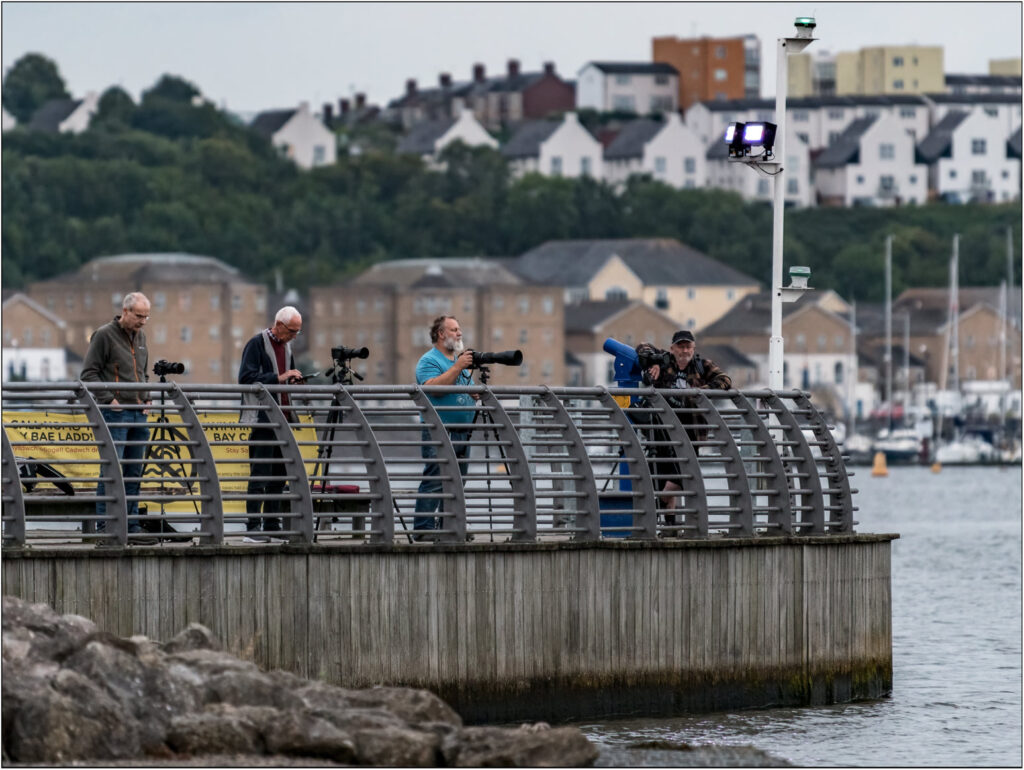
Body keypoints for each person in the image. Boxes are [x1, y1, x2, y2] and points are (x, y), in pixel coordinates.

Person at [635, 330, 732, 534]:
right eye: (680, 346)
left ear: (694, 348)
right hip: (662, 430)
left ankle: (658, 504)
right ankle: (670, 526)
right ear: (672, 348)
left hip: (692, 432)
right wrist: (652, 362)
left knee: (679, 478)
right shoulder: (664, 361)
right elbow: (642, 347)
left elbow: (725, 380)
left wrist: (700, 393)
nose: (684, 350)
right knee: (664, 476)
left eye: (688, 346)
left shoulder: (702, 365)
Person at [80, 291, 154, 542]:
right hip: (115, 413)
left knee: (134, 471)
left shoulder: (141, 337)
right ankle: (106, 525)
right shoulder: (104, 335)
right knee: (112, 469)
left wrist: (147, 397)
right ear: (125, 311)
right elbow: (88, 374)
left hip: (138, 413)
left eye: (146, 317)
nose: (143, 321)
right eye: (139, 316)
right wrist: (109, 399)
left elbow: (143, 373)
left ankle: (130, 524)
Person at [238, 306, 304, 543]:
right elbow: (245, 378)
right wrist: (277, 378)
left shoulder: (287, 346)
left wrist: (292, 381)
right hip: (263, 421)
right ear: (279, 325)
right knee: (260, 475)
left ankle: (272, 525)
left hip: (283, 420)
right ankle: (252, 528)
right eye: (292, 331)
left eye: (297, 332)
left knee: (279, 476)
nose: (294, 336)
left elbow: (282, 379)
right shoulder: (256, 344)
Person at [413, 315, 476, 539]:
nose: (460, 333)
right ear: (441, 334)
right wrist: (459, 366)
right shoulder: (429, 361)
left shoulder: (460, 364)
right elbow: (432, 389)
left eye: (459, 329)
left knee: (458, 481)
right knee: (436, 479)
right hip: (439, 429)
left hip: (462, 430)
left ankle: (449, 526)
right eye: (454, 329)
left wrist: (475, 394)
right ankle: (423, 529)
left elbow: (466, 389)